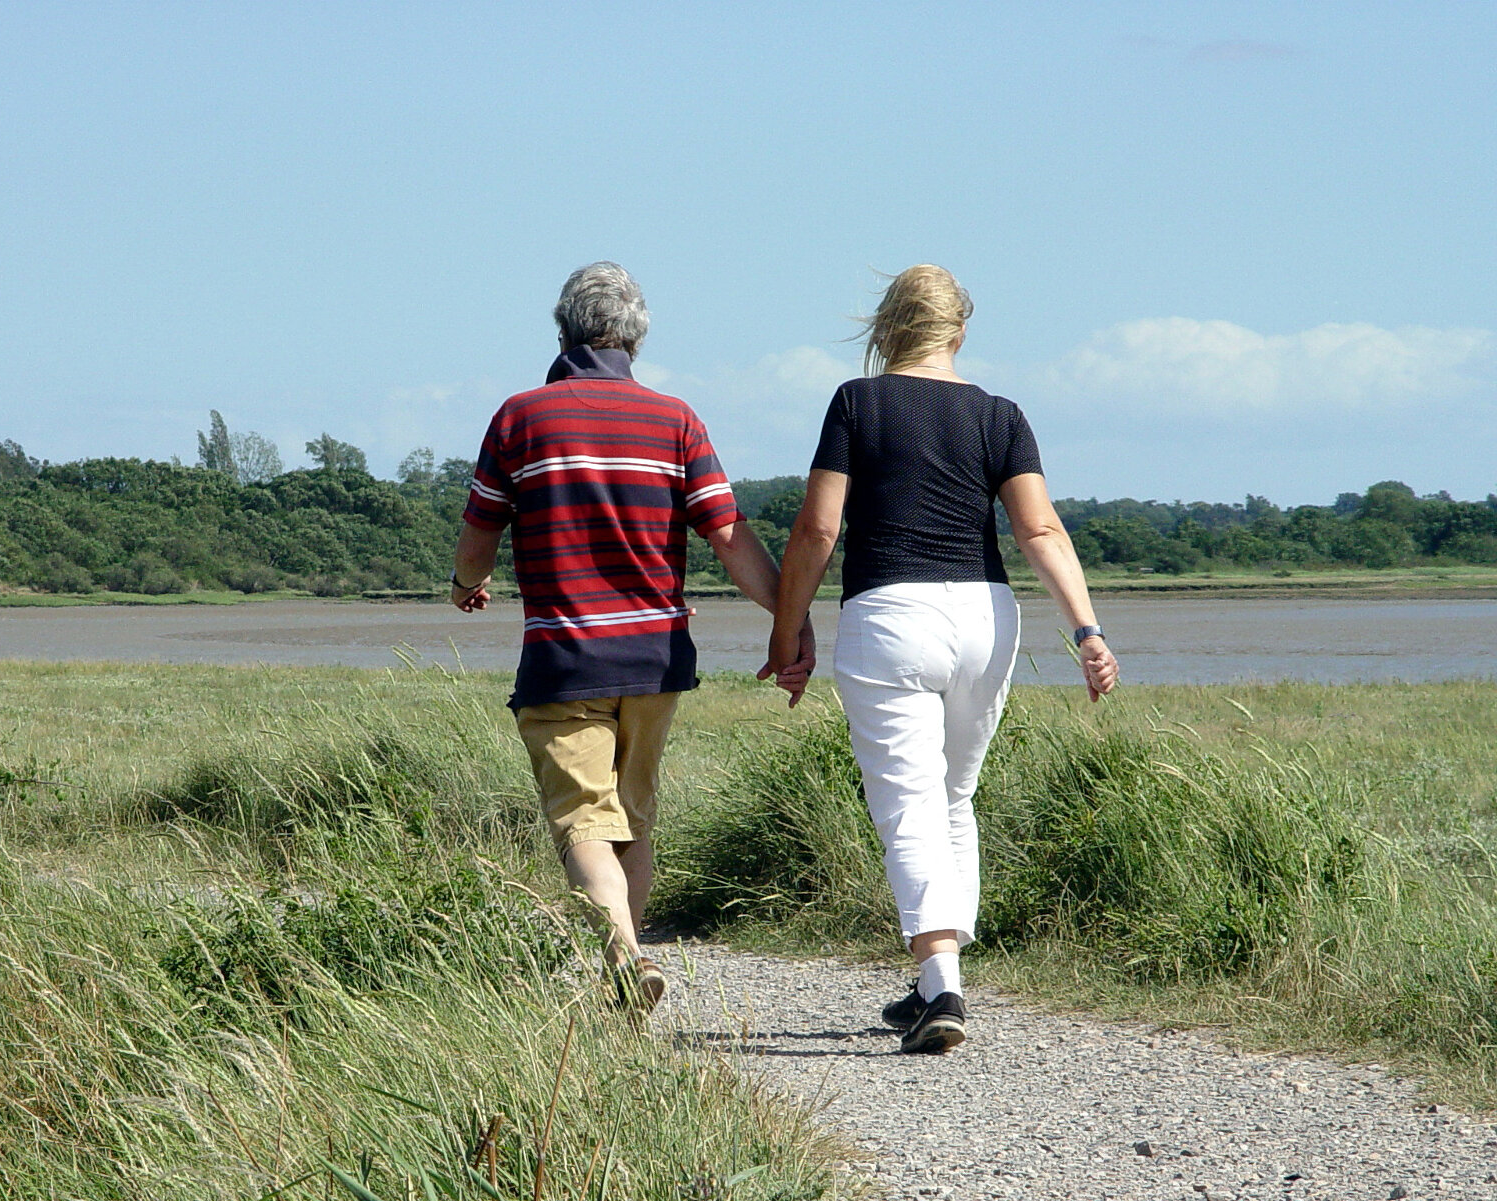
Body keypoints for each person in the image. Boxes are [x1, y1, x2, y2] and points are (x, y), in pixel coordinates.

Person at [762, 264, 1118, 1055]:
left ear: (887, 327)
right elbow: (1040, 531)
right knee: (953, 797)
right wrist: (1087, 631)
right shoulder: (1000, 414)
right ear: (959, 332)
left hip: (891, 614)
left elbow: (818, 530)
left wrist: (788, 633)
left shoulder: (857, 403)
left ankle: (943, 985)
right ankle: (934, 981)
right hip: (986, 617)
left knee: (908, 804)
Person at [451, 261, 805, 1010]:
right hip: (655, 659)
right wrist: (790, 616)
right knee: (633, 821)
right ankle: (626, 991)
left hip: (564, 661)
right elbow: (729, 534)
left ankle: (625, 954)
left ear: (563, 330)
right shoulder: (675, 420)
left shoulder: (520, 418)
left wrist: (464, 584)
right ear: (635, 339)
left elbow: (480, 530)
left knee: (583, 824)